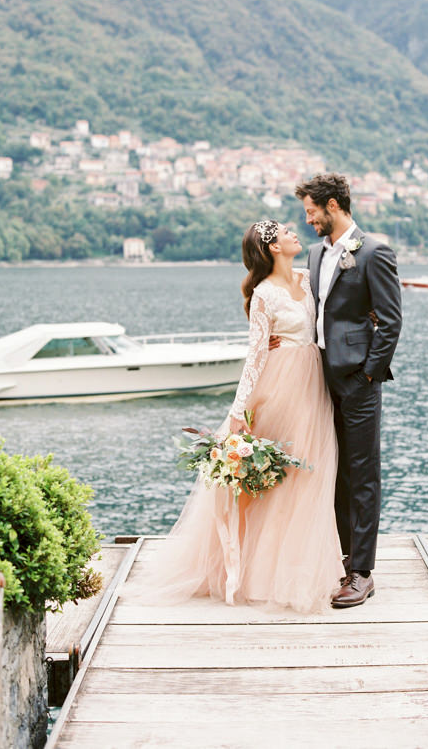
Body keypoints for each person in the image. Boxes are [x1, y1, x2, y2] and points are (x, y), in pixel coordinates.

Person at [125, 219, 344, 614]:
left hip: (314, 385)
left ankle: (296, 569)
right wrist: (239, 410)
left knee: (309, 477)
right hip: (280, 388)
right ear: (272, 247)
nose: (295, 232)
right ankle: (261, 575)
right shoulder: (263, 294)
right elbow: (256, 355)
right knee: (280, 480)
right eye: (285, 232)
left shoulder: (307, 278)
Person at [294, 173, 402, 608]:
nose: (308, 220)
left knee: (362, 474)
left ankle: (362, 572)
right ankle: (344, 559)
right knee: (335, 470)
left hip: (358, 379)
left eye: (312, 211)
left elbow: (391, 321)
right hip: (321, 378)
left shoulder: (374, 252)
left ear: (334, 205)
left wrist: (369, 374)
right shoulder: (319, 253)